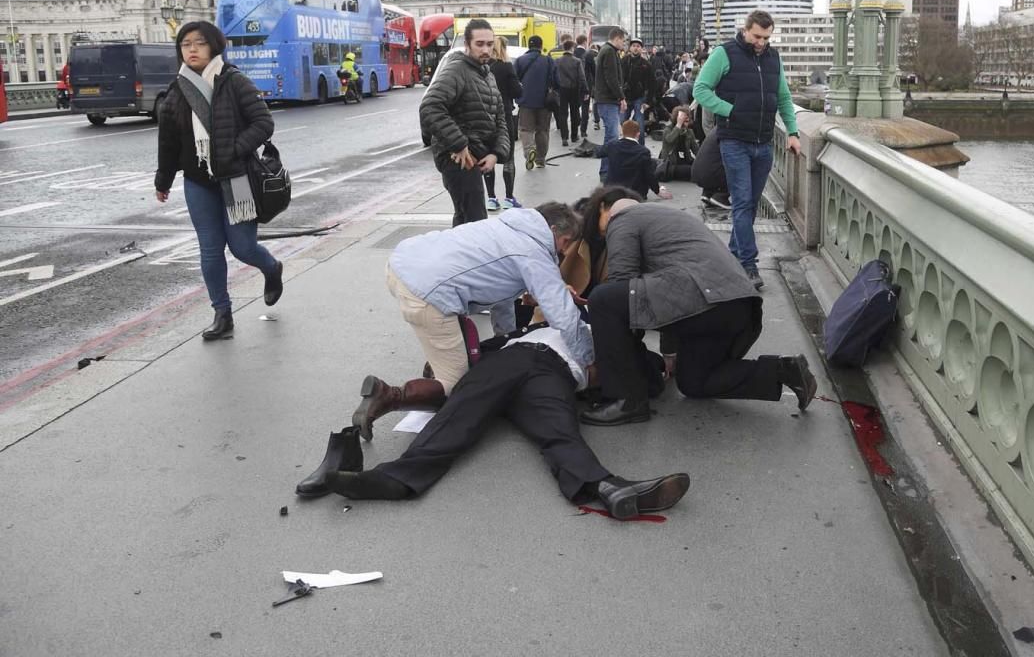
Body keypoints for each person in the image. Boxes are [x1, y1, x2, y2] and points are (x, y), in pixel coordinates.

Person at [304, 323, 690, 519]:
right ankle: (394, 478)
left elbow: (649, 374)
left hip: (555, 376)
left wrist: (658, 368)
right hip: (515, 358)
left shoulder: (609, 335)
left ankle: (607, 487)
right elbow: (465, 357)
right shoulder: (540, 325)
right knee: (461, 414)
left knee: (558, 432)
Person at [352, 202, 593, 438]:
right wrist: (588, 358)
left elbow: (500, 293)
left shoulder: (510, 225)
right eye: (565, 242)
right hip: (429, 292)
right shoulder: (534, 252)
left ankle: (436, 363)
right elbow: (564, 315)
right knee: (457, 386)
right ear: (552, 230)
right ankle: (388, 396)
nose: (564, 251)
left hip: (403, 264)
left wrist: (504, 341)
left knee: (454, 343)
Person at [580, 196, 817, 426]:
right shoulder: (670, 220)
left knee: (603, 299)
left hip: (706, 299)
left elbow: (624, 284)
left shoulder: (622, 218)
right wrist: (669, 351)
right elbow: (665, 290)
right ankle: (782, 371)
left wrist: (622, 358)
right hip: (736, 307)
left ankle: (627, 401)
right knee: (694, 382)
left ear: (606, 208)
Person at [154, 21, 282, 341]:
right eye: (186, 44)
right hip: (198, 182)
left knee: (242, 248)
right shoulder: (177, 90)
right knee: (210, 250)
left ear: (213, 46)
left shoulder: (234, 81)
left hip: (236, 177)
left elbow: (263, 123)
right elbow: (168, 141)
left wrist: (234, 150)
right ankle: (222, 314)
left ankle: (271, 268)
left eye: (199, 43)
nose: (192, 49)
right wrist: (163, 180)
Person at [693, 10, 801, 291]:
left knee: (750, 205)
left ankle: (733, 255)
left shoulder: (773, 58)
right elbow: (701, 90)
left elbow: (784, 98)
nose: (761, 43)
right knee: (741, 202)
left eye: (766, 37)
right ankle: (748, 264)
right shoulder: (724, 54)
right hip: (734, 141)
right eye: (757, 36)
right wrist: (731, 111)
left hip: (764, 143)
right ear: (745, 30)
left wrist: (792, 132)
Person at [419, 19, 511, 226]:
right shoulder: (457, 69)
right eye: (480, 44)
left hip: (478, 155)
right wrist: (458, 144)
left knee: (466, 219)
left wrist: (496, 153)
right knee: (475, 221)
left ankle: (456, 257)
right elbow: (430, 107)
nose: (486, 49)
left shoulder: (488, 74)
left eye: (489, 44)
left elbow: (500, 119)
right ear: (467, 45)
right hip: (457, 158)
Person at [484, 36, 523, 210]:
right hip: (505, 115)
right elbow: (517, 91)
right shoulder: (506, 67)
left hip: (485, 117)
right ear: (504, 49)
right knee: (508, 157)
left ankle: (491, 198)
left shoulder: (483, 68)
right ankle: (508, 197)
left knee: (487, 156)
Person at [596, 120, 672, 200]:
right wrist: (658, 191)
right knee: (651, 163)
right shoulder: (643, 151)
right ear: (638, 134)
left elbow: (599, 152)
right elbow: (649, 175)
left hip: (612, 191)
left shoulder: (612, 145)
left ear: (622, 132)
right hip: (634, 194)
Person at [514, 34, 558, 169]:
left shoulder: (520, 61)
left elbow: (514, 80)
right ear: (541, 46)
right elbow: (556, 81)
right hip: (544, 102)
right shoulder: (549, 61)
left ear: (529, 45)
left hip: (526, 101)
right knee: (543, 130)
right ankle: (540, 159)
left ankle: (529, 152)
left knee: (526, 130)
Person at [593, 29, 627, 181]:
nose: (624, 43)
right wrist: (621, 98)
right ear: (617, 38)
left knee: (611, 136)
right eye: (623, 40)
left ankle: (607, 170)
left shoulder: (606, 51)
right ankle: (606, 172)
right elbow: (611, 78)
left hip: (606, 99)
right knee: (612, 136)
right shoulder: (609, 52)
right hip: (608, 100)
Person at [621, 38, 655, 144]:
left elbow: (652, 84)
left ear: (641, 49)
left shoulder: (646, 64)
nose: (636, 48)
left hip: (639, 98)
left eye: (638, 46)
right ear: (630, 48)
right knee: (621, 122)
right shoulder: (623, 61)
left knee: (639, 124)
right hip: (625, 97)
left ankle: (640, 148)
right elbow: (618, 79)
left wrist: (648, 102)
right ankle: (623, 145)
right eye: (634, 46)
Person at [555, 36, 587, 145]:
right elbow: (582, 77)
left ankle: (564, 137)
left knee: (563, 113)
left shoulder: (558, 61)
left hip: (562, 90)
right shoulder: (577, 61)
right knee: (574, 112)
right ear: (572, 48)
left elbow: (554, 76)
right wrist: (586, 90)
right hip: (574, 89)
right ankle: (574, 136)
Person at [658, 107, 699, 181]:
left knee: (701, 168)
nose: (686, 124)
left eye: (687, 121)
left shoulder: (689, 132)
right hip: (671, 163)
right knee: (692, 171)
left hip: (686, 160)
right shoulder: (668, 130)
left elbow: (696, 149)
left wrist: (703, 160)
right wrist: (679, 125)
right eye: (683, 121)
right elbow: (669, 139)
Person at [693, 133, 731, 209]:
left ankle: (708, 194)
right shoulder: (730, 130)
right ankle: (721, 196)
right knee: (739, 168)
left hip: (696, 172)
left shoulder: (718, 129)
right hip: (711, 174)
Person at [574, 39, 591, 139]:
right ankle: (583, 131)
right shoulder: (587, 54)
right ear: (585, 42)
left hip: (574, 86)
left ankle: (575, 130)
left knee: (574, 108)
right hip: (586, 85)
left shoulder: (573, 53)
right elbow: (593, 71)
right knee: (585, 108)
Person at [584, 42, 600, 131]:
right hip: (596, 83)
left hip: (586, 82)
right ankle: (597, 122)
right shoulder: (598, 55)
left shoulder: (586, 55)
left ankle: (584, 124)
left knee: (586, 104)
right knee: (595, 102)